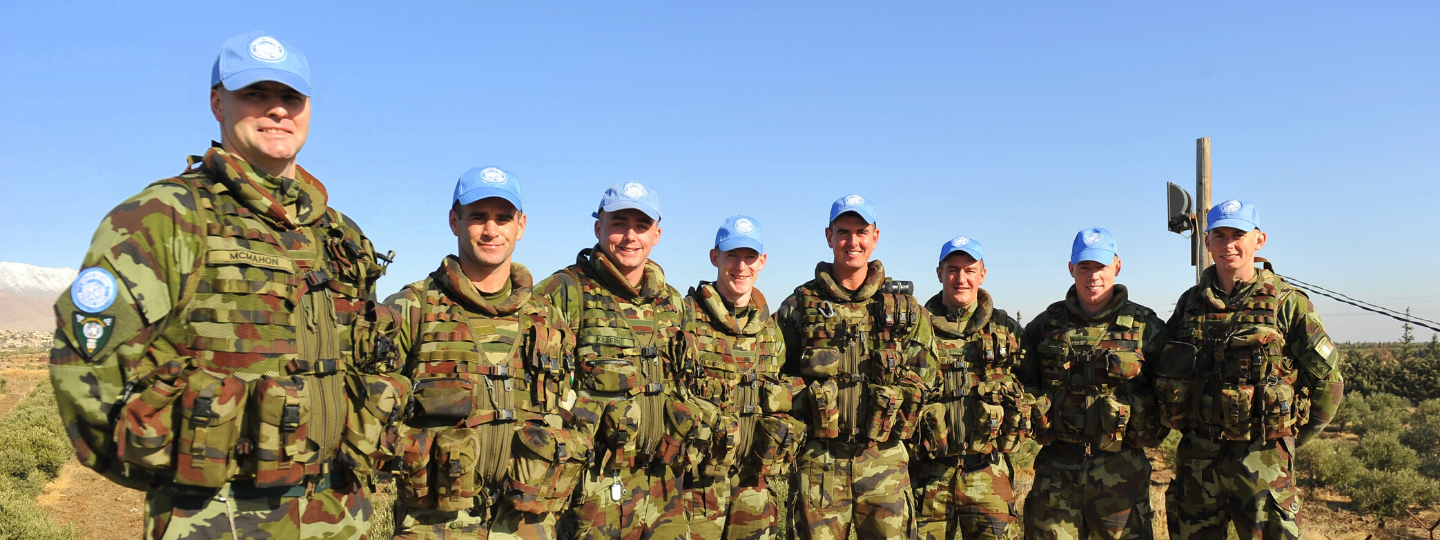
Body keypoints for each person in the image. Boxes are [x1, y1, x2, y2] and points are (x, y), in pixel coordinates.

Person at [50, 31, 399, 539]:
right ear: (218, 102)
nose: (277, 110)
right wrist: (184, 473)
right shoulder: (166, 216)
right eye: (255, 94)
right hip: (220, 519)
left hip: (342, 514)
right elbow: (84, 371)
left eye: (290, 98)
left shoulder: (341, 235)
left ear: (308, 108)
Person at [384, 167, 586, 539]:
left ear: (520, 226)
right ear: (454, 221)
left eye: (502, 218)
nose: (491, 230)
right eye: (478, 217)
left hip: (527, 521)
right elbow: (374, 413)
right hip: (436, 522)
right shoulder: (413, 307)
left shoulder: (549, 318)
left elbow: (567, 404)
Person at [1158, 200, 1343, 539]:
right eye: (1219, 235)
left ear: (1259, 240)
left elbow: (1328, 380)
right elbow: (1166, 367)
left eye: (1238, 235)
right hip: (1198, 461)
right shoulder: (1190, 303)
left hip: (1263, 462)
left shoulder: (1287, 302)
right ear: (1208, 242)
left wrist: (1292, 439)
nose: (1229, 245)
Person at [775, 194, 935, 540]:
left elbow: (926, 372)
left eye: (861, 232)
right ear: (829, 236)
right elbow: (775, 375)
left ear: (875, 237)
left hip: (884, 459)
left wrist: (894, 399)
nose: (853, 241)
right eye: (844, 232)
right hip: (820, 461)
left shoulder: (904, 309)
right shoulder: (800, 305)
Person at [537, 182, 690, 540]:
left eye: (641, 226)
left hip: (663, 484)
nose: (630, 236)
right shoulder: (564, 291)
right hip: (594, 487)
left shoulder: (674, 303)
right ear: (598, 228)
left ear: (657, 234)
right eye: (619, 223)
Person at [1017, 227, 1167, 540]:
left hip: (1121, 472)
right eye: (1084, 267)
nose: (1093, 276)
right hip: (1057, 470)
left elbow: (1169, 393)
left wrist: (1141, 418)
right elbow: (1021, 380)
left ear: (1117, 266)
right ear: (1071, 269)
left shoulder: (1145, 325)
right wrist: (1037, 407)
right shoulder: (1046, 325)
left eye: (1100, 266)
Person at [680, 216, 804, 540]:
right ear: (714, 257)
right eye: (732, 255)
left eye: (750, 256)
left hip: (754, 486)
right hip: (698, 488)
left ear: (762, 261)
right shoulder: (687, 318)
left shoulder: (771, 331)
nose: (741, 266)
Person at [914, 236, 1026, 540]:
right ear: (939, 274)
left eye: (969, 270)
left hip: (989, 473)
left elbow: (1035, 386)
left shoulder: (1007, 330)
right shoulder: (916, 329)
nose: (960, 279)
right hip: (929, 476)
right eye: (952, 270)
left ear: (982, 274)